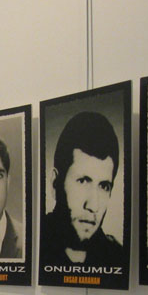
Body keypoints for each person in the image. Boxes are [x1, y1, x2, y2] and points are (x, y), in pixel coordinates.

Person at [41, 111, 122, 265]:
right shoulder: (31, 243)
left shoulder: (118, 258)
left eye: (104, 186)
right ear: (55, 183)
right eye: (83, 181)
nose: (93, 206)